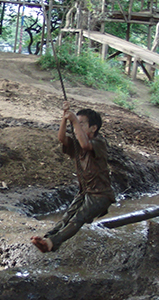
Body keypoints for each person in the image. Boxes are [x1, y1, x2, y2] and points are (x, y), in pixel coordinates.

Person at [30, 102, 115, 253]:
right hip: (85, 192)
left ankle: (51, 243)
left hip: (101, 195)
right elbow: (61, 138)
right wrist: (65, 118)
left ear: (93, 128)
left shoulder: (99, 142)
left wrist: (74, 120)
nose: (77, 127)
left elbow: (85, 144)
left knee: (79, 218)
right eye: (77, 124)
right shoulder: (77, 145)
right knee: (67, 216)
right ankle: (47, 238)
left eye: (82, 124)